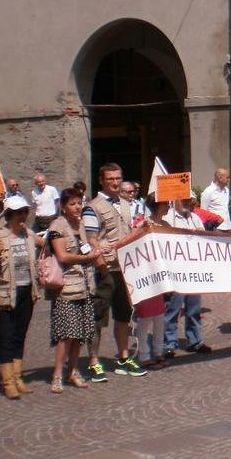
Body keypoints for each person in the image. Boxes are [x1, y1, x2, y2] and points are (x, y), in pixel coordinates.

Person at [82, 162, 147, 380]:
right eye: (110, 179)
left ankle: (123, 356)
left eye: (118, 178)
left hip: (125, 268)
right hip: (104, 269)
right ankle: (93, 362)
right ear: (101, 180)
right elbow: (91, 240)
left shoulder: (126, 204)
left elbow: (128, 233)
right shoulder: (92, 207)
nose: (115, 182)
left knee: (123, 315)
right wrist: (101, 267)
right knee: (98, 317)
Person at [0, 196, 42, 399]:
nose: (23, 216)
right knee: (5, 337)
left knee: (19, 336)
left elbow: (46, 243)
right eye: (18, 212)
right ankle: (7, 381)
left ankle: (17, 376)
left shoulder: (29, 235)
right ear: (9, 215)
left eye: (25, 211)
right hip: (3, 293)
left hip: (26, 291)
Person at [46, 188, 101, 393]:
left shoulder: (81, 225)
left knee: (80, 334)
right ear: (63, 206)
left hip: (85, 285)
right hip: (67, 286)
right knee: (66, 334)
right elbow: (63, 256)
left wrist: (95, 252)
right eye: (72, 204)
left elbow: (85, 248)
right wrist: (87, 258)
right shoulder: (57, 226)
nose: (77, 207)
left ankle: (72, 371)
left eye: (79, 203)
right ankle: (57, 374)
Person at [163, 198, 212, 356]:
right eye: (184, 200)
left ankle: (195, 341)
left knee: (194, 307)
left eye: (189, 201)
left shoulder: (195, 218)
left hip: (193, 270)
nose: (187, 204)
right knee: (173, 307)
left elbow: (204, 240)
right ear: (175, 200)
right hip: (175, 271)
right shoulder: (168, 218)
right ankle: (169, 343)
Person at [134, 193, 169, 370]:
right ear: (156, 205)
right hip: (146, 275)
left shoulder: (166, 225)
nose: (168, 207)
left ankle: (158, 351)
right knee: (145, 317)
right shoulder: (143, 222)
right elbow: (133, 241)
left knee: (160, 317)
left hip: (161, 276)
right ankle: (144, 354)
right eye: (165, 204)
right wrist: (142, 228)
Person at [200, 168, 231, 232]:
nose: (229, 180)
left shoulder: (226, 190)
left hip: (228, 227)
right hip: (216, 228)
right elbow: (203, 212)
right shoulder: (208, 192)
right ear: (220, 178)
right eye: (227, 178)